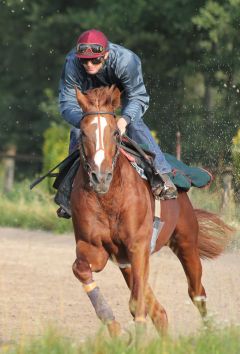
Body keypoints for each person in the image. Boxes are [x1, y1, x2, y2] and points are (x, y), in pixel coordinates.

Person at [58, 29, 177, 217]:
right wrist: (87, 122)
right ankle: (68, 192)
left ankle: (161, 175)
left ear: (106, 55)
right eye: (84, 60)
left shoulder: (126, 61)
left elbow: (138, 97)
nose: (89, 65)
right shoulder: (72, 62)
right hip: (90, 99)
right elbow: (66, 103)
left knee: (134, 124)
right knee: (77, 131)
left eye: (95, 60)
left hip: (124, 94)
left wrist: (123, 120)